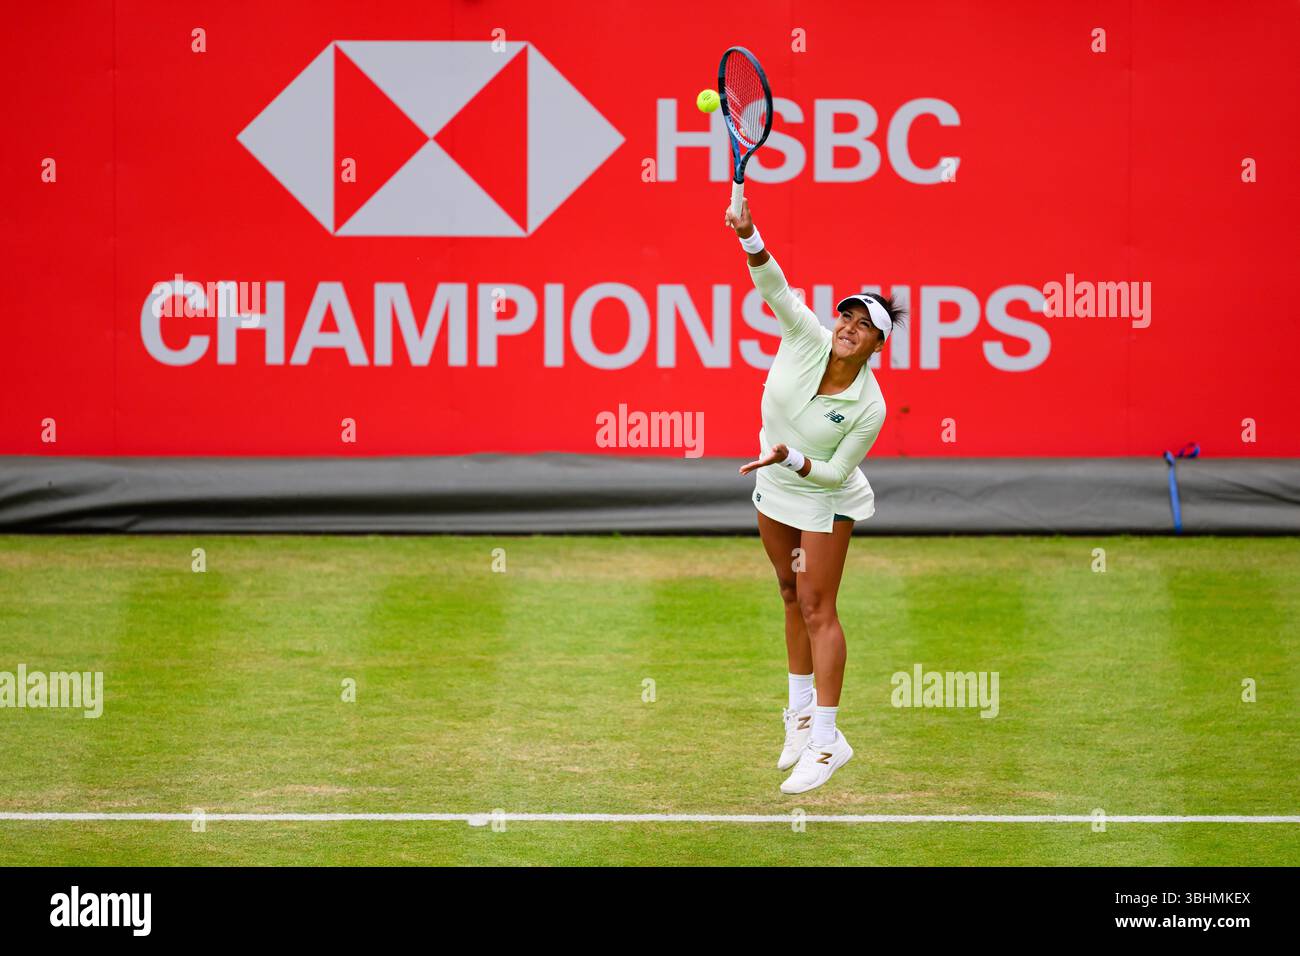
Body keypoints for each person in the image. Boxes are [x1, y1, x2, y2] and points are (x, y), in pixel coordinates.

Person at [725, 198, 906, 794]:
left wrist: (792, 456)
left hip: (825, 499)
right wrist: (750, 234)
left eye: (864, 327)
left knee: (816, 606)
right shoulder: (806, 338)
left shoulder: (871, 406)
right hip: (771, 484)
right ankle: (800, 713)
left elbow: (832, 475)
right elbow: (775, 287)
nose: (850, 330)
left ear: (878, 344)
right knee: (787, 591)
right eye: (847, 319)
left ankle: (829, 741)